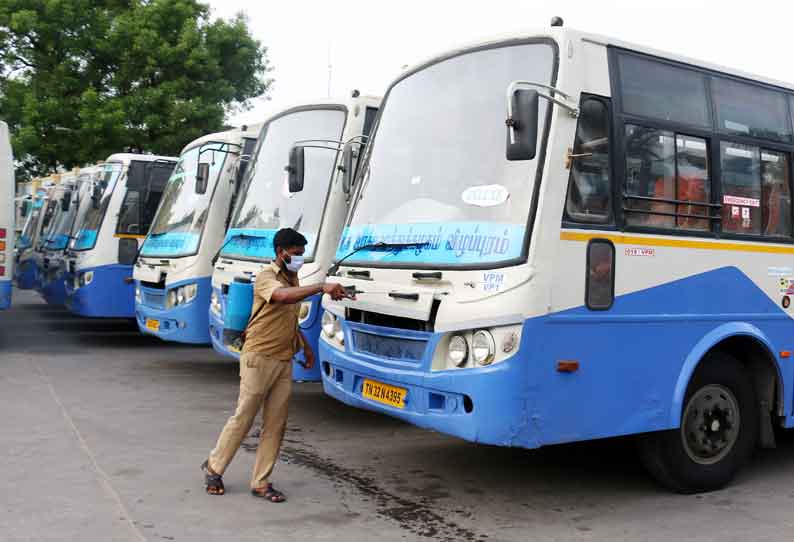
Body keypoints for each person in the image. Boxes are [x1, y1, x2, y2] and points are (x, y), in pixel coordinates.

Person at [201, 227, 350, 502]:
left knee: (275, 424)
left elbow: (289, 319)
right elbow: (281, 297)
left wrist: (306, 348)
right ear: (281, 252)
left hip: (283, 360)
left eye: (303, 254)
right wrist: (320, 287)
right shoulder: (266, 277)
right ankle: (214, 467)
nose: (300, 259)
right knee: (244, 417)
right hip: (258, 357)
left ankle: (261, 481)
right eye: (296, 254)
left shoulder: (293, 278)